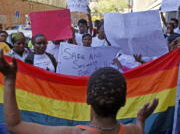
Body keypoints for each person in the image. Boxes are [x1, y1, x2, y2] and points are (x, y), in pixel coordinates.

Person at [0, 52, 158, 134]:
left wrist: (9, 80)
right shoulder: (132, 130)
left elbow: (15, 125)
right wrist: (140, 119)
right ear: (123, 101)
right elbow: (139, 130)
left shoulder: (73, 132)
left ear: (87, 99)